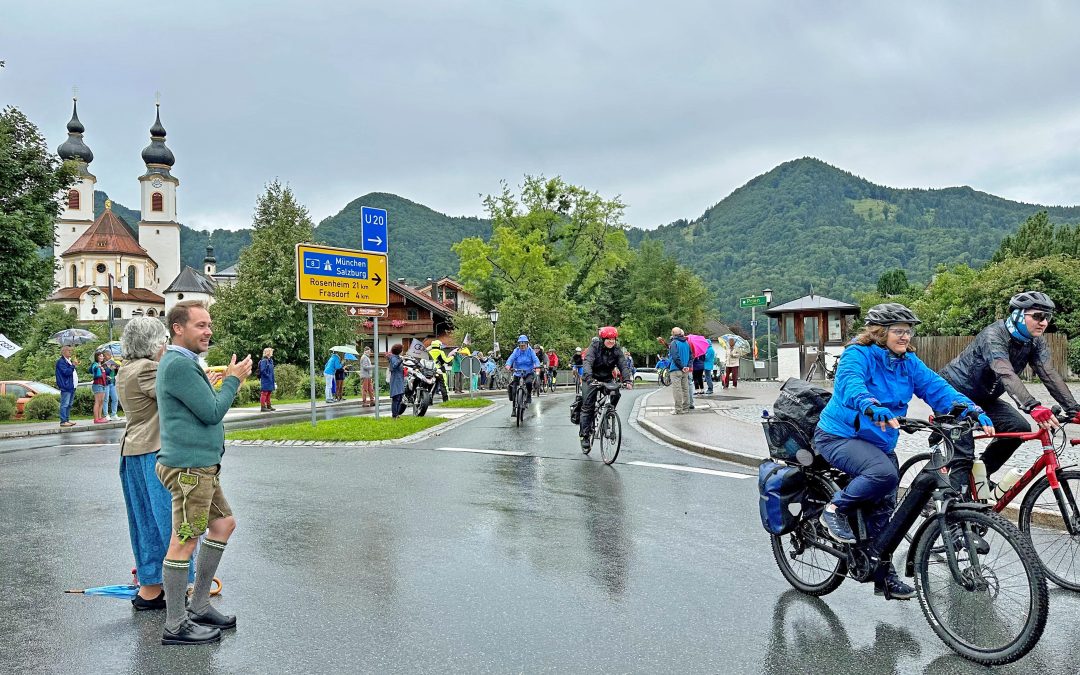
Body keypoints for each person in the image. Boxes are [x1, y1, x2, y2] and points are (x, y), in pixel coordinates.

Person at [814, 303, 992, 600]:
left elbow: (936, 387)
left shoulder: (907, 361)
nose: (905, 336)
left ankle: (881, 574)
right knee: (882, 474)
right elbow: (851, 385)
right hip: (840, 435)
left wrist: (970, 409)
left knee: (886, 507)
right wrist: (870, 405)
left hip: (880, 441)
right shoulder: (858, 354)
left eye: (908, 331)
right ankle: (834, 510)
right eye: (898, 331)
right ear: (879, 332)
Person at [155, 300, 252, 645]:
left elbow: (198, 408)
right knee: (184, 540)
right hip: (190, 470)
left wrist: (213, 384)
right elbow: (212, 412)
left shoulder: (184, 363)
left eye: (209, 325)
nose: (208, 331)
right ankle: (175, 624)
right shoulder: (179, 365)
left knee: (223, 524)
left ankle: (198, 606)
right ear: (178, 328)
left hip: (200, 468)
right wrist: (232, 381)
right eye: (201, 325)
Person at [940, 291, 1080, 491]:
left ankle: (978, 477)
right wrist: (1032, 406)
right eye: (1038, 316)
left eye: (1047, 317)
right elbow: (1005, 372)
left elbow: (1048, 373)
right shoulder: (993, 336)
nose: (1043, 322)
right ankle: (954, 503)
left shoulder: (1035, 341)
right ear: (1017, 315)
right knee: (963, 452)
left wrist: (1074, 409)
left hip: (985, 398)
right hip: (954, 394)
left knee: (1017, 428)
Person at [116, 317, 194, 611]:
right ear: (154, 343)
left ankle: (150, 589)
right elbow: (177, 400)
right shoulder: (148, 369)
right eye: (164, 341)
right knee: (170, 521)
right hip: (153, 451)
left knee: (144, 522)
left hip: (132, 451)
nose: (166, 346)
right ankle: (177, 589)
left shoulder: (126, 368)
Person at [578, 327, 632, 450]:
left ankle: (608, 411)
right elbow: (588, 362)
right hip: (591, 378)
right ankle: (584, 436)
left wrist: (627, 380)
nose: (611, 341)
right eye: (608, 339)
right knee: (588, 406)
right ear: (603, 339)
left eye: (613, 339)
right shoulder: (595, 347)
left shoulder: (617, 350)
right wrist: (589, 378)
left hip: (606, 378)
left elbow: (623, 365)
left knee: (616, 393)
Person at [504, 335, 541, 410]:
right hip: (517, 372)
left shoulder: (531, 351)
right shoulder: (516, 351)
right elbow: (511, 358)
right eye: (521, 346)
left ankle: (528, 395)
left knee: (528, 383)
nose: (522, 347)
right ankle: (514, 408)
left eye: (524, 345)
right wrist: (508, 365)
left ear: (527, 344)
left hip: (528, 372)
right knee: (513, 390)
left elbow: (536, 359)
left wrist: (537, 366)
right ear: (519, 345)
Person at [668, 328, 692, 414]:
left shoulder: (674, 343)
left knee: (677, 389)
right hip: (685, 370)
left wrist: (681, 367)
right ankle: (686, 408)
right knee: (685, 389)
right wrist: (687, 366)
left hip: (676, 369)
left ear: (673, 333)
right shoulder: (687, 343)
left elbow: (675, 357)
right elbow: (691, 356)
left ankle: (678, 409)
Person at [55, 346, 78, 427]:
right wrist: (73, 365)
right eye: (69, 351)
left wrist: (73, 365)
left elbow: (71, 372)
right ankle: (63, 421)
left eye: (71, 351)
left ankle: (67, 420)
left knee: (69, 404)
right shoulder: (61, 362)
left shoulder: (68, 361)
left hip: (72, 386)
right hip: (66, 386)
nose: (70, 352)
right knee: (65, 404)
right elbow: (66, 372)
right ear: (63, 352)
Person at [387, 344, 406, 418]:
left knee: (400, 397)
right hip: (396, 380)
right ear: (399, 350)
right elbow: (394, 366)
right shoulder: (393, 358)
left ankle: (397, 414)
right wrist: (401, 360)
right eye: (402, 350)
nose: (402, 351)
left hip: (399, 379)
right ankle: (394, 415)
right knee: (396, 397)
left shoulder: (397, 357)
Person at [90, 351, 108, 424]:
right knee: (97, 401)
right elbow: (94, 369)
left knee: (101, 401)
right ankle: (96, 419)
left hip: (103, 384)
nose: (102, 357)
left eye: (102, 356)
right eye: (100, 356)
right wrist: (97, 367)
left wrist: (107, 377)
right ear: (96, 357)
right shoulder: (95, 364)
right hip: (97, 384)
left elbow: (102, 376)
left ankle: (100, 417)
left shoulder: (102, 365)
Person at [100, 355, 121, 421]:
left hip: (113, 384)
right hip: (107, 384)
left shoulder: (114, 364)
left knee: (115, 399)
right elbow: (105, 374)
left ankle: (114, 414)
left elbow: (116, 374)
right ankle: (106, 415)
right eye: (108, 354)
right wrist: (110, 368)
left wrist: (117, 368)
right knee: (106, 399)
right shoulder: (104, 365)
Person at [258, 347, 276, 412]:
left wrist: (272, 378)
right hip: (266, 380)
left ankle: (269, 406)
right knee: (264, 393)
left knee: (269, 393)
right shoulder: (264, 361)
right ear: (268, 353)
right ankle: (263, 407)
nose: (272, 353)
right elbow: (262, 370)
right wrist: (267, 376)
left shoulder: (270, 361)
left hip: (270, 379)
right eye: (271, 351)